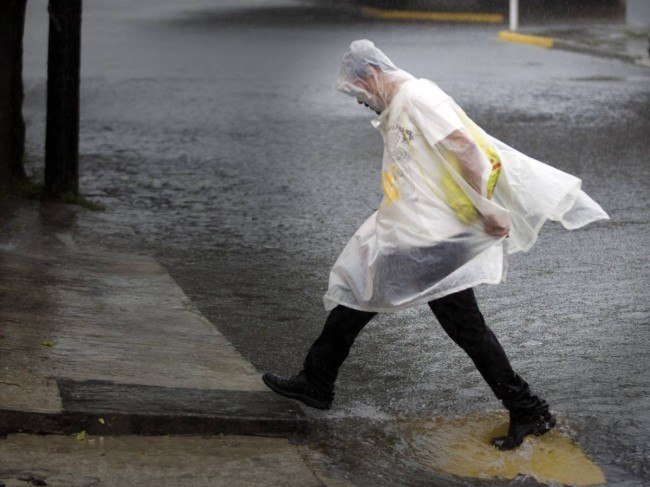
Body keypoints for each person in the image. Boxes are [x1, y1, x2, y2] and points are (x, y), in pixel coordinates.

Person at [263, 40, 609, 450]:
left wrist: (484, 208)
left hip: (435, 236)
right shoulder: (401, 104)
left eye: (359, 93)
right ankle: (317, 380)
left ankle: (528, 409)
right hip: (414, 228)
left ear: (371, 76)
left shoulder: (417, 96)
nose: (361, 103)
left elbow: (466, 148)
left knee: (457, 324)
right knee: (361, 291)